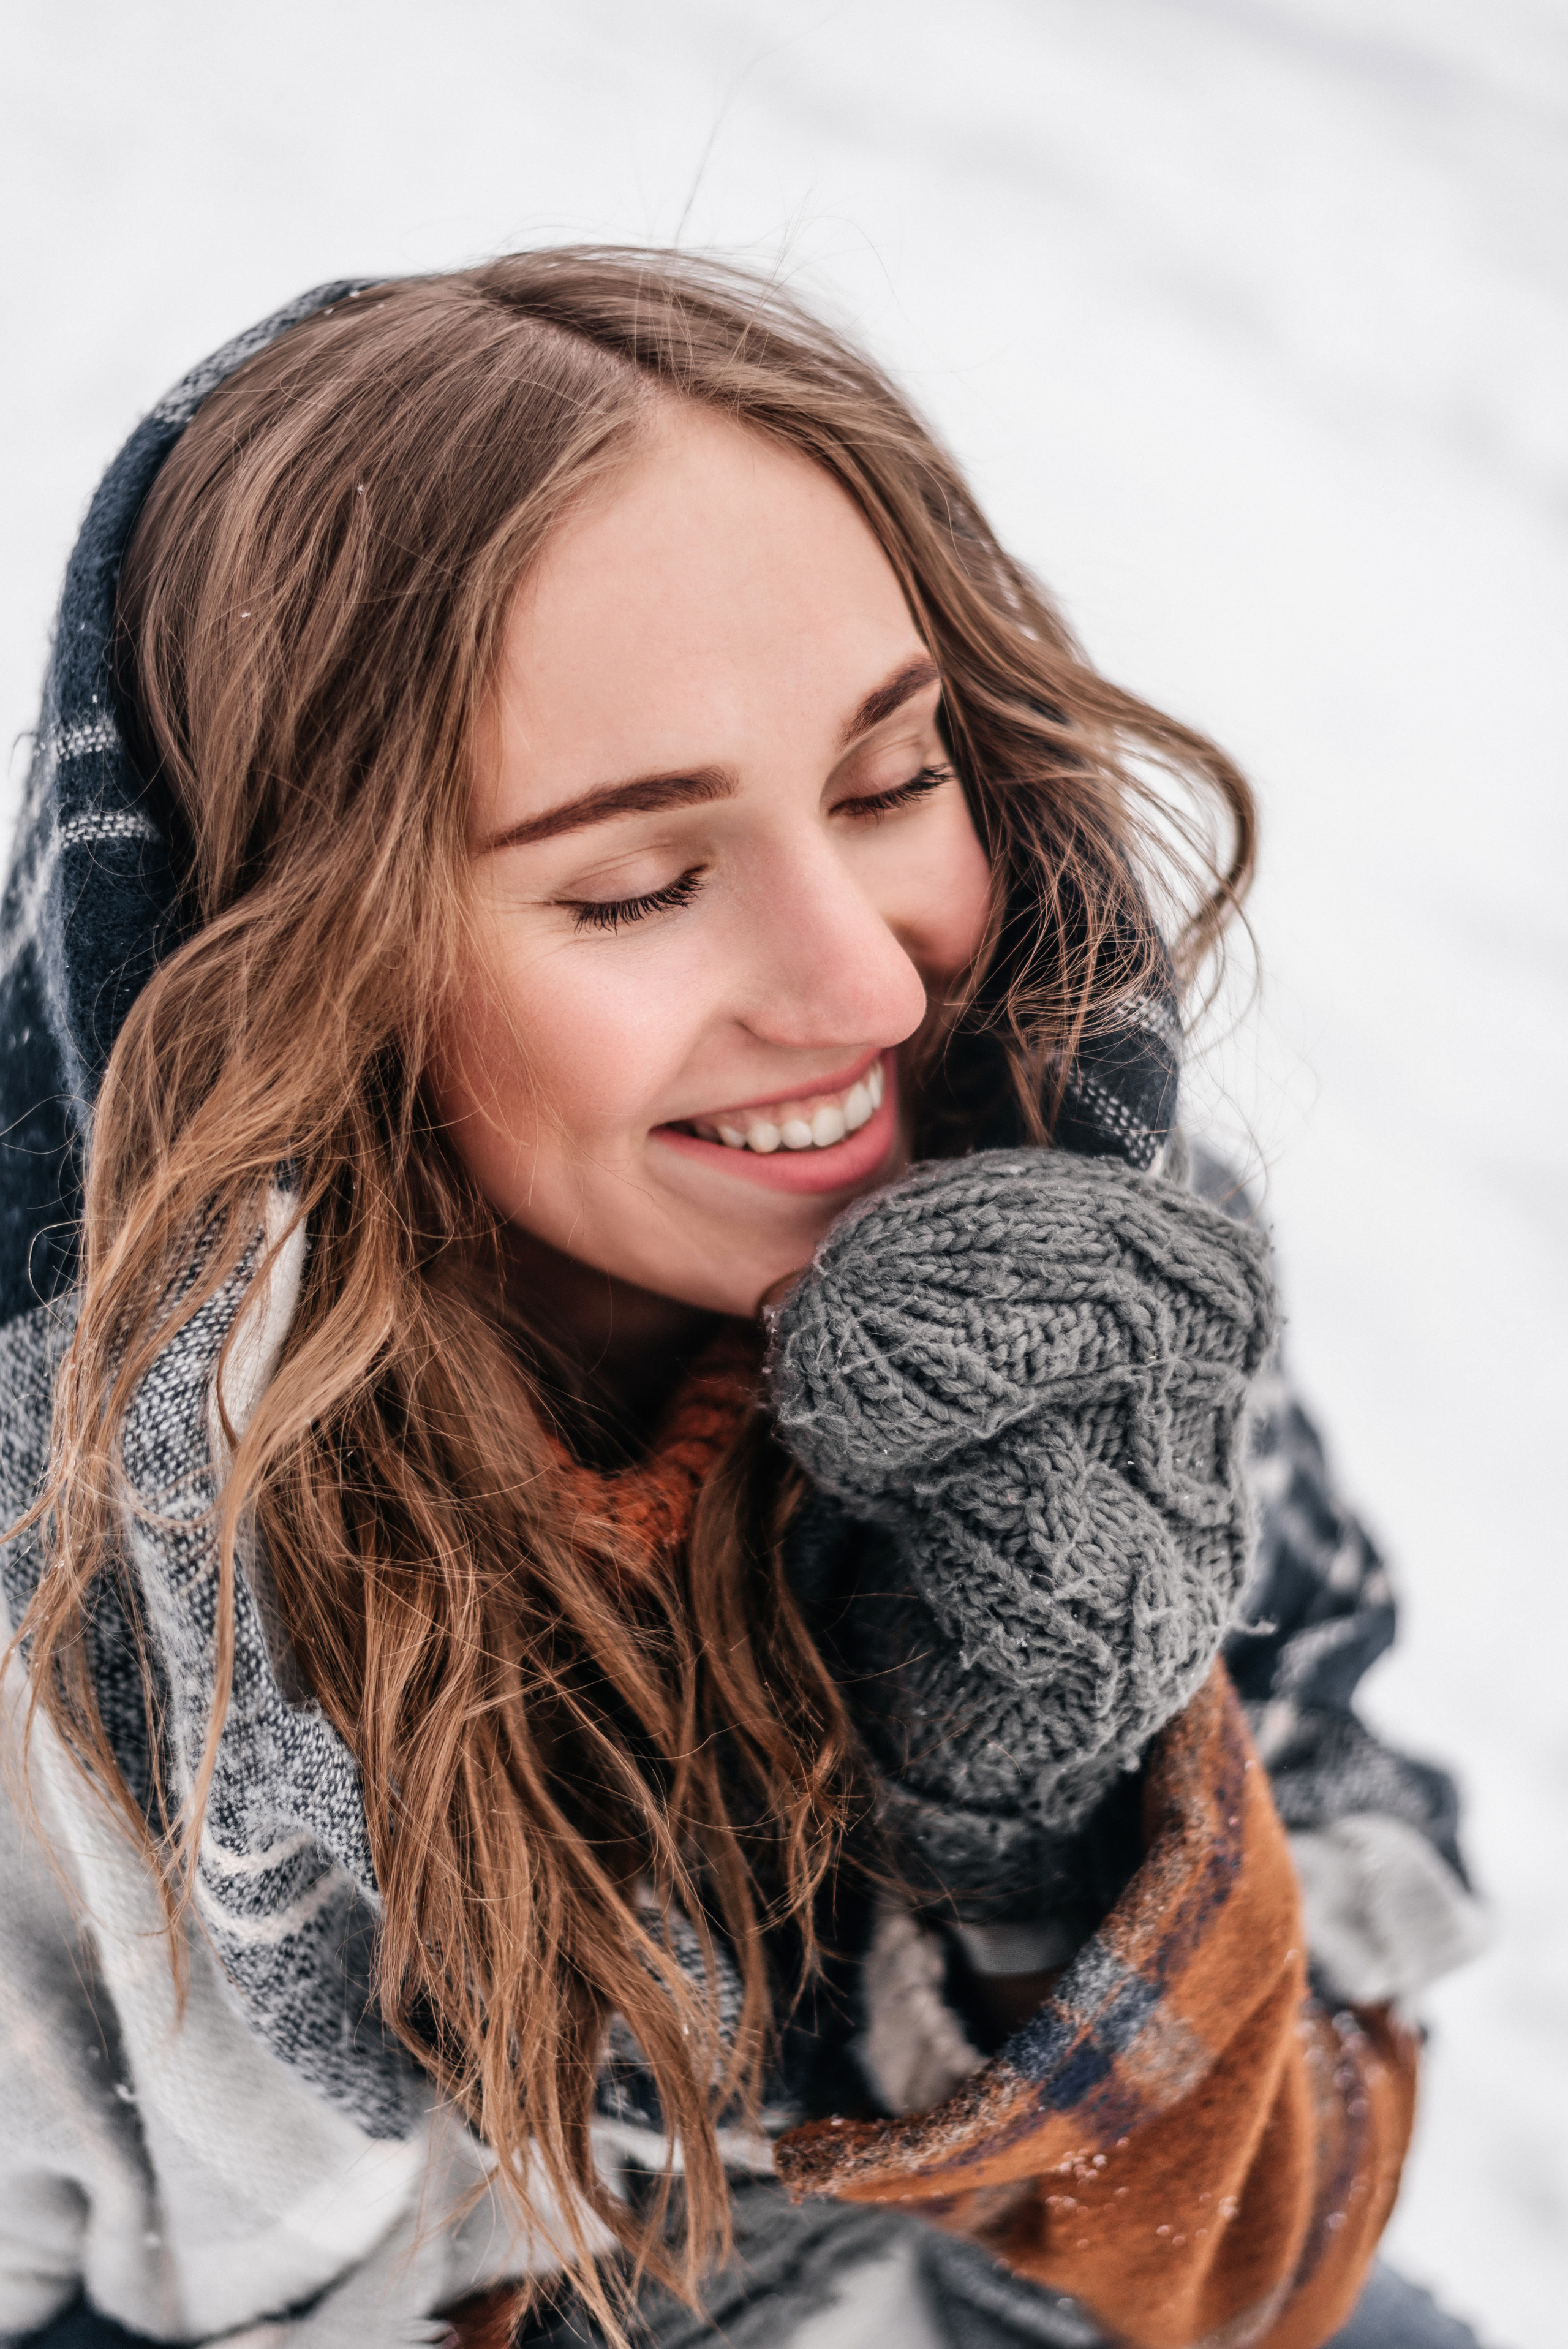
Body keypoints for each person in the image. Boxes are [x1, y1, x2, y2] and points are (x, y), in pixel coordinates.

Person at [0, 253, 1490, 2349]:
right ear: (294, 965)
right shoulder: (63, 1639)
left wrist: (1049, 1836)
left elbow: (1286, 2222)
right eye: (637, 884)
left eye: (891, 782)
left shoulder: (1077, 1257)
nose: (872, 989)